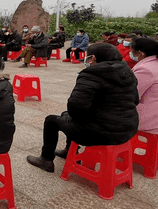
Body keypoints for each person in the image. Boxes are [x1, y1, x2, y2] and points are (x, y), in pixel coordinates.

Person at [27, 43, 139, 172]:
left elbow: (76, 108)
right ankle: (70, 151)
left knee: (51, 120)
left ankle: (46, 159)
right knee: (67, 116)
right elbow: (135, 101)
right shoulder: (128, 73)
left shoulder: (92, 74)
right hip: (128, 130)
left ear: (94, 58)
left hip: (100, 133)